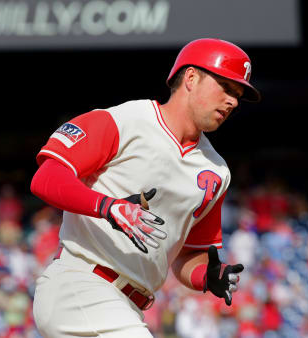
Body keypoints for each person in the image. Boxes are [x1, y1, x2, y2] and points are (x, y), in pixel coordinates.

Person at [30, 38, 260, 337]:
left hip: (127, 304)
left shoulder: (216, 171)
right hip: (81, 283)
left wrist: (208, 275)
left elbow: (190, 255)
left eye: (238, 95)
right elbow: (46, 178)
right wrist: (108, 206)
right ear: (190, 78)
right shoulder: (125, 121)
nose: (233, 101)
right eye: (226, 88)